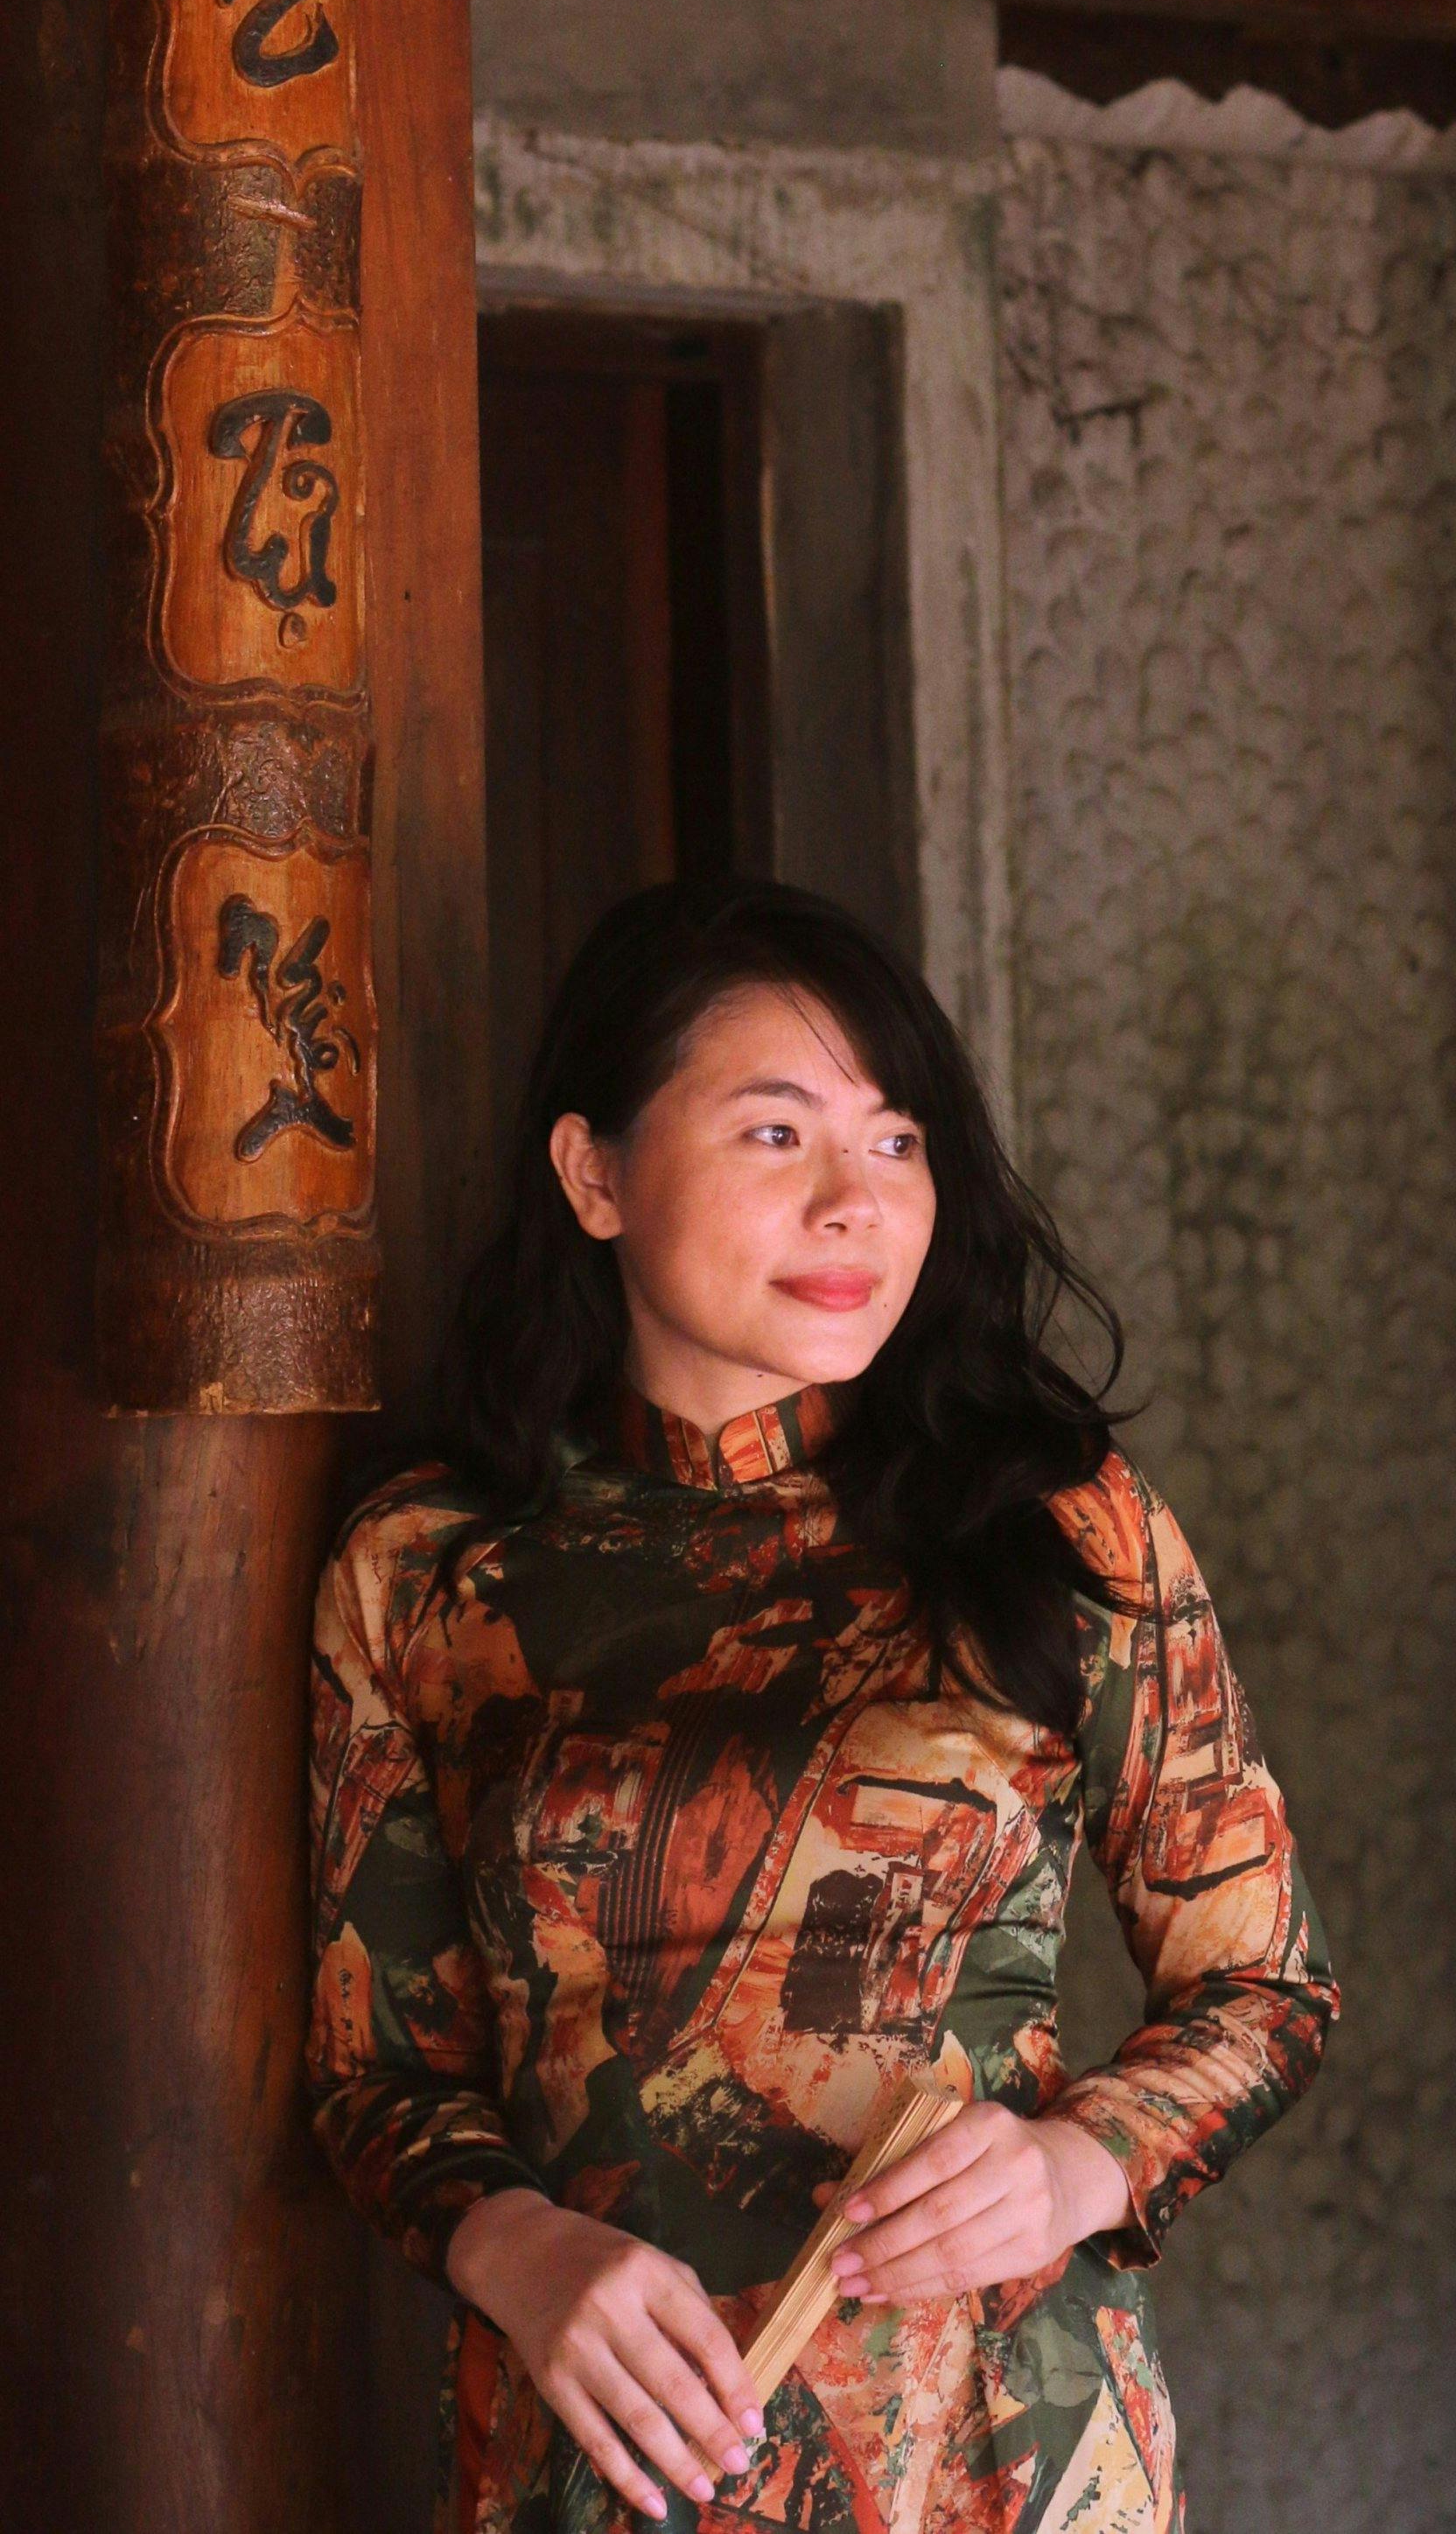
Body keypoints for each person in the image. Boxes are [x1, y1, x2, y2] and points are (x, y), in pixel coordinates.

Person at [308, 881, 1335, 2533]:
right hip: (613, 2455)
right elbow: (380, 2074)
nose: (859, 1203)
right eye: (776, 1136)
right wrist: (515, 2242)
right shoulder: (435, 1568)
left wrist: (1079, 2164)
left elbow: (1266, 1984)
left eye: (898, 1140)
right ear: (593, 1174)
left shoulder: (1058, 1521)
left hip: (1001, 2441)